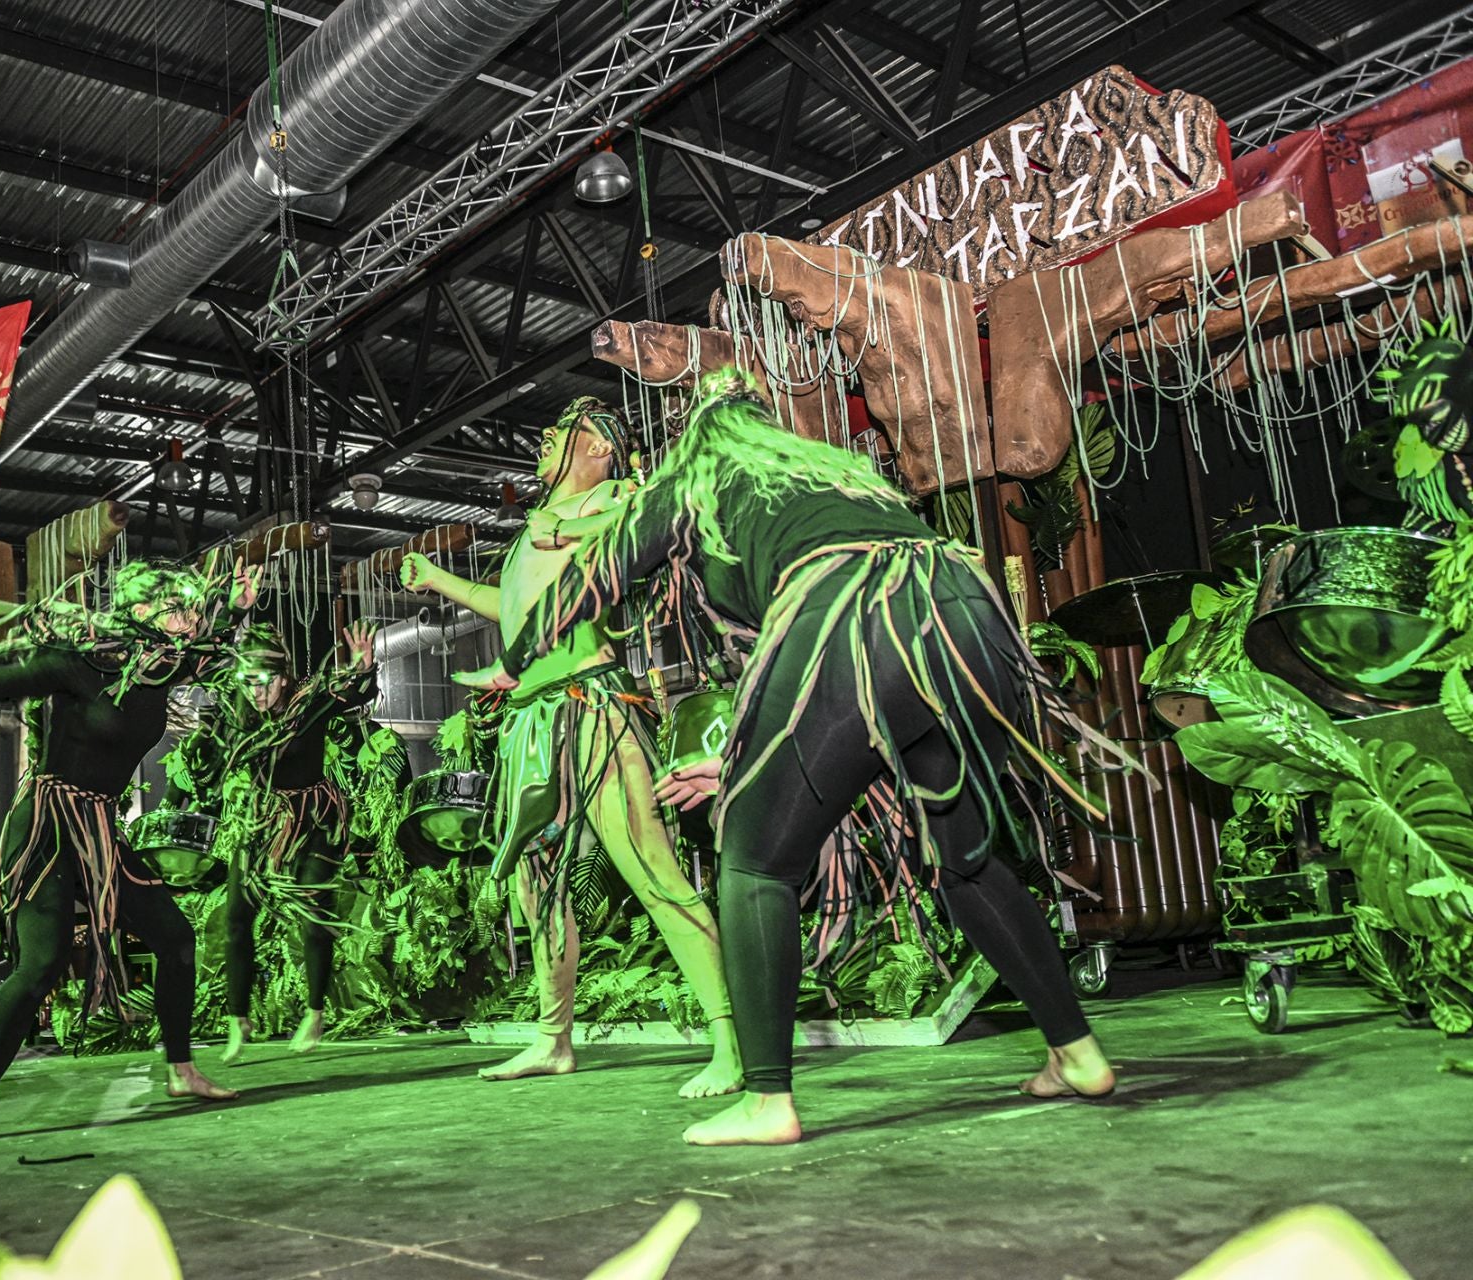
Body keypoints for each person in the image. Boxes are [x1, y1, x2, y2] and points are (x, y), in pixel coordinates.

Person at [481, 371, 1132, 1145]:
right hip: (964, 610)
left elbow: (593, 580)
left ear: (696, 436)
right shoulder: (829, 473)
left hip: (852, 613)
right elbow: (835, 713)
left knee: (754, 863)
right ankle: (1077, 1052)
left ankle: (766, 1099)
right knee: (967, 861)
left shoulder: (697, 475)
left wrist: (516, 659)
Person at [0, 557, 256, 1148]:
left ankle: (181, 1070)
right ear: (140, 612)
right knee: (40, 964)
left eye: (189, 610)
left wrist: (234, 607)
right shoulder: (77, 666)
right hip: (49, 824)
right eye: (176, 608)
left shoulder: (162, 667)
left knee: (175, 939)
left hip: (101, 827)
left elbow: (210, 646)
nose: (188, 620)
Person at [403, 396, 741, 1099]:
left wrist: (572, 518)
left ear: (598, 448)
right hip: (532, 719)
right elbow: (514, 604)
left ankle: (734, 1036)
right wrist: (439, 581)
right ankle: (553, 1039)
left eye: (564, 431)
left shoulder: (613, 496)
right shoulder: (536, 529)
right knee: (539, 885)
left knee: (652, 869)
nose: (548, 438)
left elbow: (636, 527)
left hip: (594, 710)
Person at [208, 621, 379, 1062]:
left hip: (316, 819)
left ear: (282, 678)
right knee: (236, 916)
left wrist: (363, 669)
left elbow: (354, 694)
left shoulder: (309, 705)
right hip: (264, 819)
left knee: (312, 912)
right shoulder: (239, 716)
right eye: (247, 682)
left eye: (263, 682)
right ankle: (237, 1018)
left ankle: (315, 1011)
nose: (255, 692)